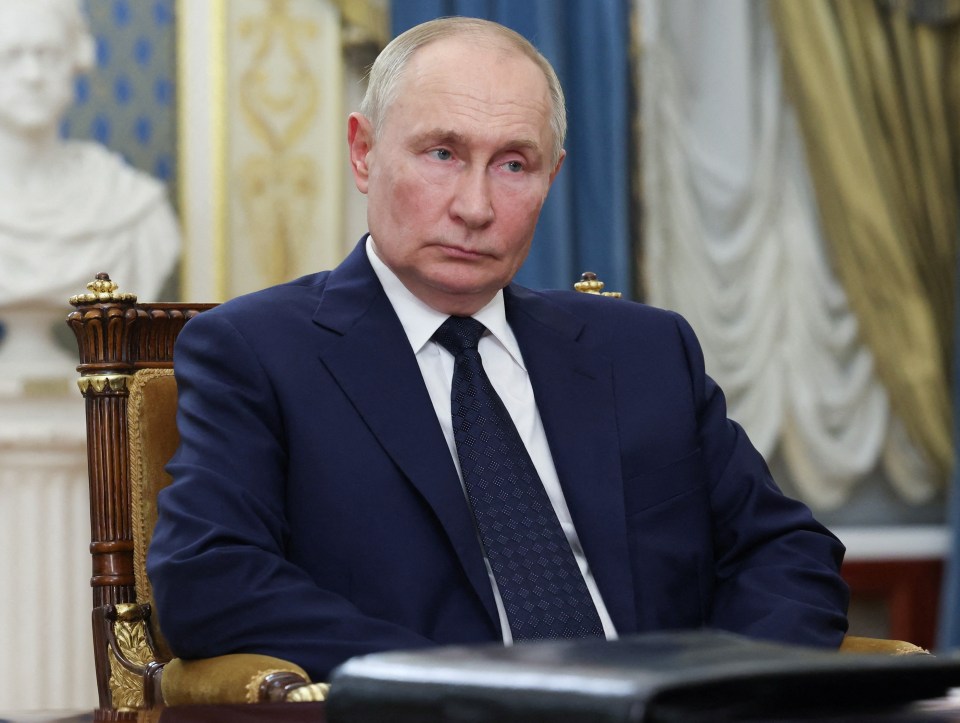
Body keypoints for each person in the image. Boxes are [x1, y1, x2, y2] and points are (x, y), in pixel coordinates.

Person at [148, 17, 849, 682]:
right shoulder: (258, 354)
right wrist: (458, 686)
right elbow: (209, 577)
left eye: (514, 164)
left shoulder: (642, 351)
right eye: (443, 154)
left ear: (552, 177)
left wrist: (721, 691)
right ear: (364, 152)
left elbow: (788, 551)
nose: (476, 206)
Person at [0, 0, 180, 369]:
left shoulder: (129, 204)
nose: (32, 74)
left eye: (48, 54)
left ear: (75, 61)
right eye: (12, 55)